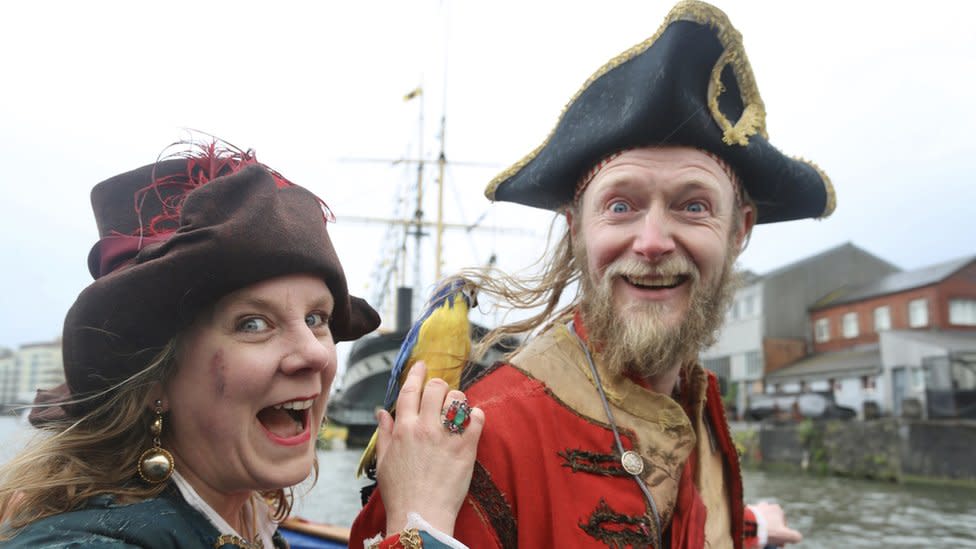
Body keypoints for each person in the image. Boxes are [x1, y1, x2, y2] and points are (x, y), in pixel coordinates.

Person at [352, 1, 823, 547]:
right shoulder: (484, 442)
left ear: (739, 230)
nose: (652, 242)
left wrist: (746, 527)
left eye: (693, 206)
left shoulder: (694, 400)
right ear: (576, 230)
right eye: (621, 206)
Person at [0, 141, 483, 548]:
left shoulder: (244, 520)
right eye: (253, 323)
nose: (316, 352)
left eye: (316, 318)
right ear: (152, 378)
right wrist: (421, 522)